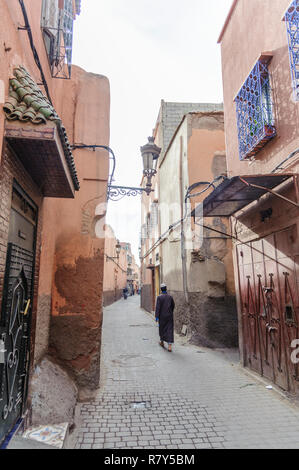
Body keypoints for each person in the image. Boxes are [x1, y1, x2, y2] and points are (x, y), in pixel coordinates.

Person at [155, 283, 175, 352]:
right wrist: (170, 312)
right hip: (169, 316)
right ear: (166, 289)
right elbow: (173, 306)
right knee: (169, 329)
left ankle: (162, 342)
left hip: (162, 316)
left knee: (162, 329)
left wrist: (157, 317)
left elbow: (158, 308)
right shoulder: (170, 297)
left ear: (161, 289)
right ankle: (169, 346)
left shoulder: (159, 297)